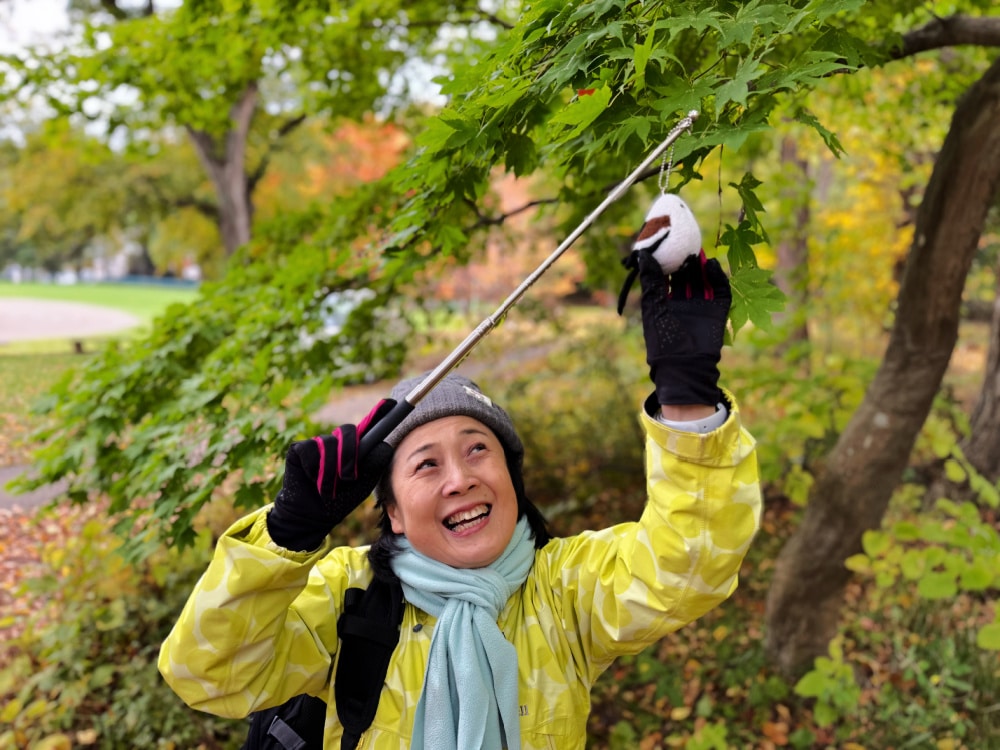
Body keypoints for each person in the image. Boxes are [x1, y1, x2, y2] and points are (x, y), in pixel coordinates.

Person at [158, 237, 762, 749]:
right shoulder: (348, 597)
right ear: (391, 512)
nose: (460, 479)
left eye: (478, 448)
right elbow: (207, 674)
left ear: (512, 479)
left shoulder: (564, 590)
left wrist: (686, 401)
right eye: (425, 465)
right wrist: (285, 535)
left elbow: (688, 564)